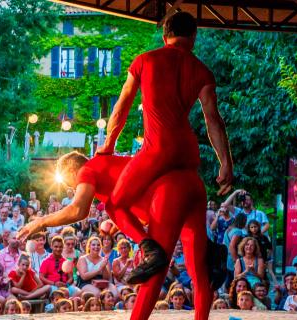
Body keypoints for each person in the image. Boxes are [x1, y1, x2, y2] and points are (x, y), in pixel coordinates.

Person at [95, 7, 232, 296]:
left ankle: (149, 249)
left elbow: (122, 106)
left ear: (164, 35)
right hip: (187, 151)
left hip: (158, 149)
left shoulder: (145, 60)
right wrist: (225, 164)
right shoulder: (202, 71)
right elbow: (213, 120)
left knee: (115, 204)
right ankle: (206, 260)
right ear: (193, 37)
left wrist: (108, 145)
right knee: (193, 236)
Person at [18, 151, 223, 320]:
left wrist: (40, 221)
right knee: (201, 271)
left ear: (71, 169)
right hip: (191, 184)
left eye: (68, 181)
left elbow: (78, 210)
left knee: (153, 270)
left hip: (168, 193)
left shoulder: (87, 169)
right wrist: (120, 227)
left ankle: (148, 248)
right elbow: (141, 208)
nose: (70, 188)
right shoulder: (108, 166)